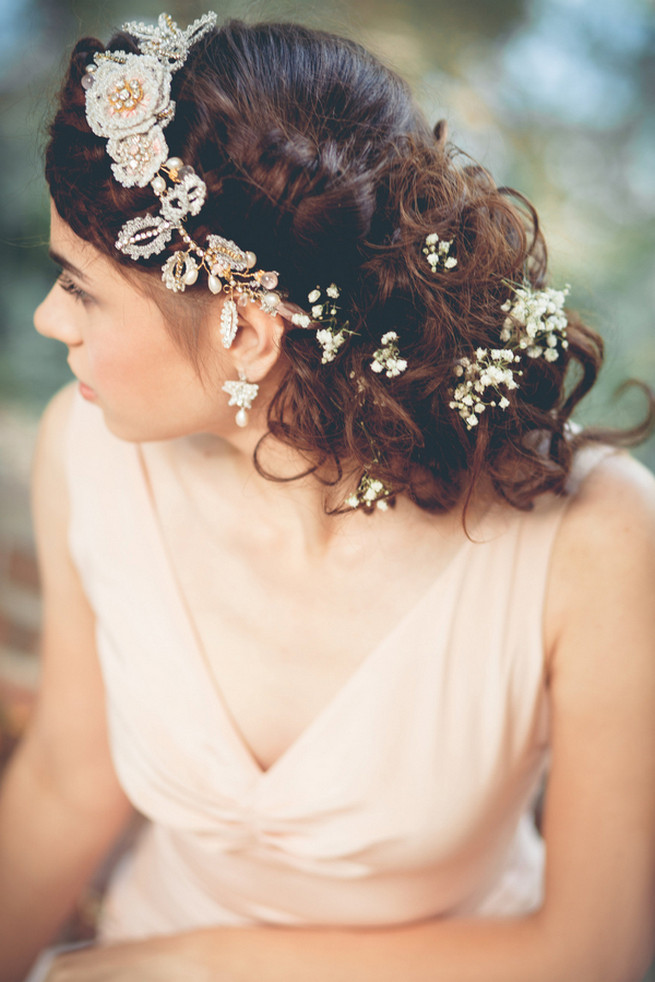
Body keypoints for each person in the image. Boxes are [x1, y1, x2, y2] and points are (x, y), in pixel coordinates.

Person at [1, 11, 654, 982]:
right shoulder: (84, 449)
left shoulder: (595, 538)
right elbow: (68, 774)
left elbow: (593, 951)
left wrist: (193, 968)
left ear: (248, 332)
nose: (52, 318)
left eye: (81, 286)